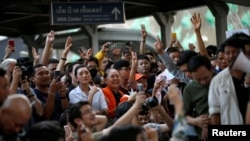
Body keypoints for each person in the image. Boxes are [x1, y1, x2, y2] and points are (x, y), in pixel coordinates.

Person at [209, 36, 249, 125]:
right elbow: (215, 113)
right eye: (228, 53)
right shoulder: (217, 81)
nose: (231, 56)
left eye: (236, 52)